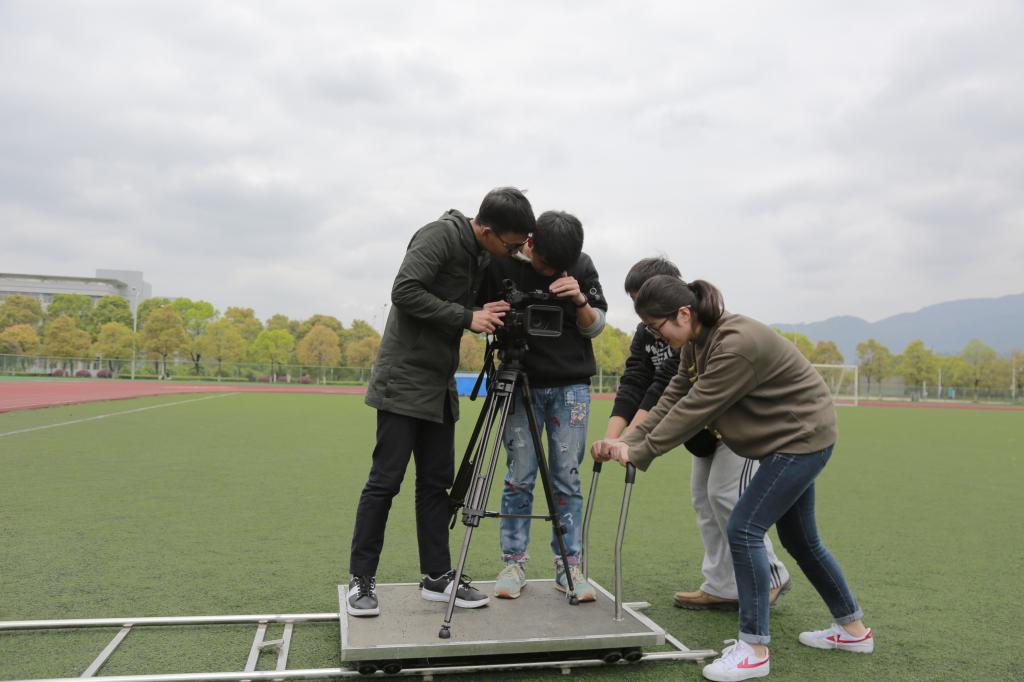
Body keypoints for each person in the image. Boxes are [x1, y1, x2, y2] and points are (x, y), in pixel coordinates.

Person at [592, 275, 872, 682]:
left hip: (800, 440)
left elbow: (696, 409)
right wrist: (627, 438)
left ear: (684, 313)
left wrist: (638, 452)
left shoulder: (735, 345)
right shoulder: (696, 340)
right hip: (787, 440)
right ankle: (853, 631)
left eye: (658, 327)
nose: (657, 336)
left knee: (743, 529)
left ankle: (755, 650)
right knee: (800, 540)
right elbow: (673, 394)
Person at [347, 187, 536, 617]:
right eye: (508, 244)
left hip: (439, 383)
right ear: (486, 230)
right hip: (403, 378)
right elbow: (405, 291)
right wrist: (466, 316)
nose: (510, 253)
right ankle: (362, 581)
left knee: (436, 483)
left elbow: (496, 281)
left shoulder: (483, 253)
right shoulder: (439, 236)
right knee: (385, 481)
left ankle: (437, 576)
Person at [605, 258, 791, 611]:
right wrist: (620, 437)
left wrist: (634, 444)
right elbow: (638, 380)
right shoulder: (655, 330)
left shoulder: (705, 334)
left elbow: (671, 393)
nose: (644, 321)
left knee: (726, 498)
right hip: (703, 433)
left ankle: (772, 575)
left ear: (678, 305)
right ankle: (722, 585)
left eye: (646, 305)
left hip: (741, 428)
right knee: (704, 501)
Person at [477, 210, 607, 602]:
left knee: (567, 477)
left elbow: (596, 325)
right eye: (543, 262)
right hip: (520, 381)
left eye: (556, 266)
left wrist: (579, 299)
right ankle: (513, 562)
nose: (548, 270)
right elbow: (480, 310)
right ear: (529, 242)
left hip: (571, 388)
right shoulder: (503, 261)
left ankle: (569, 566)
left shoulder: (580, 265)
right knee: (519, 475)